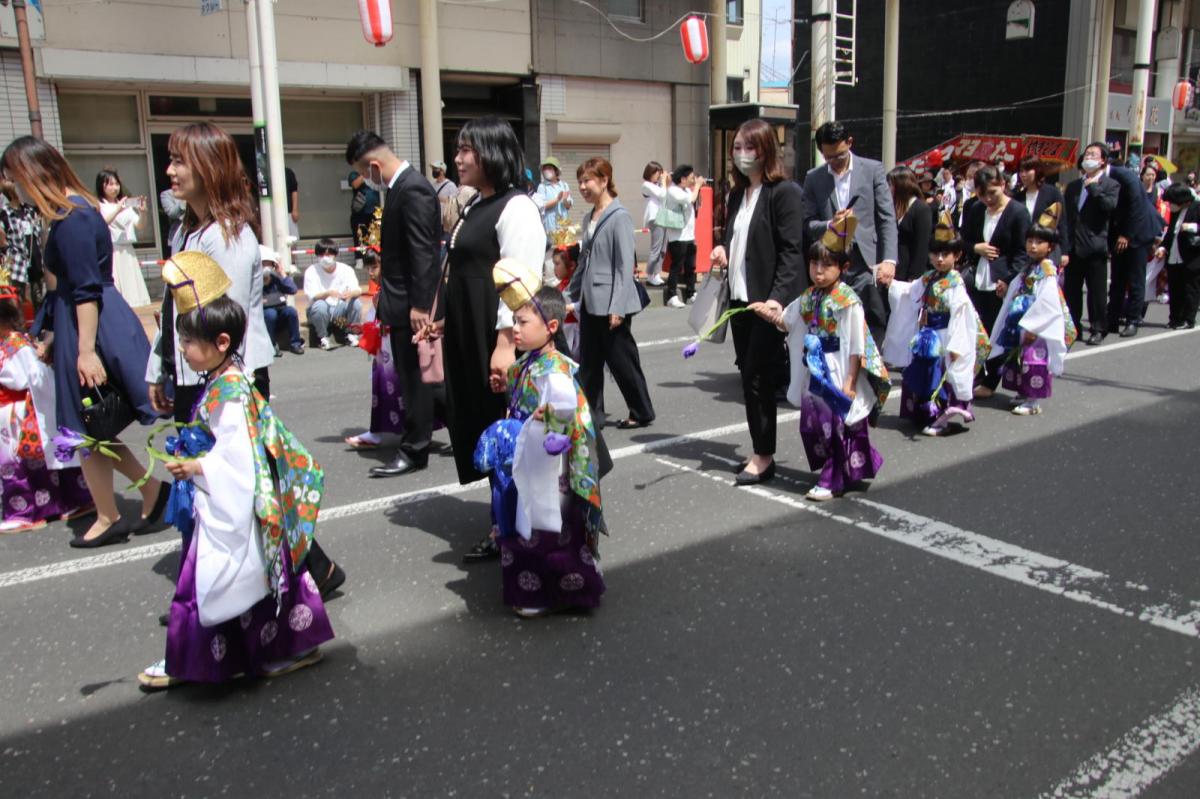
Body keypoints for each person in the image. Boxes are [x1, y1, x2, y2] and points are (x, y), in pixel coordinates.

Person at [137, 262, 333, 690]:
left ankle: (193, 660)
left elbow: (238, 459)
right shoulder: (226, 379)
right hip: (240, 501)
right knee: (258, 582)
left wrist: (197, 466)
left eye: (189, 341)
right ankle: (281, 649)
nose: (184, 348)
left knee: (210, 579)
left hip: (234, 498)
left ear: (221, 342)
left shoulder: (229, 390)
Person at [1, 136, 167, 547]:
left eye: (16, 180)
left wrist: (85, 349)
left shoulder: (72, 216)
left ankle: (114, 512)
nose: (15, 189)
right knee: (89, 428)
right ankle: (147, 494)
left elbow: (86, 289)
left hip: (88, 324)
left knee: (84, 428)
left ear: (34, 174)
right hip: (79, 322)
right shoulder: (70, 211)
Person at [412, 117, 545, 563]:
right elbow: (468, 276)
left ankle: (521, 530)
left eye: (468, 149)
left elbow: (519, 286)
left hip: (499, 339)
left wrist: (506, 344)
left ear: (493, 152)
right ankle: (502, 520)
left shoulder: (517, 207)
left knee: (509, 433)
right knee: (486, 431)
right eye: (459, 148)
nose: (458, 157)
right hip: (472, 336)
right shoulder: (473, 206)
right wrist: (448, 322)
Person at [477, 270, 606, 617]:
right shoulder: (525, 365)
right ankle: (536, 589)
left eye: (523, 321)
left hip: (549, 463)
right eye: (514, 321)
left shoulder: (554, 369)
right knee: (525, 526)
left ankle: (551, 592)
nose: (515, 329)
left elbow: (566, 414)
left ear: (551, 327)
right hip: (526, 455)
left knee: (546, 529)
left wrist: (545, 428)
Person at [751, 214, 889, 502]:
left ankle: (832, 478)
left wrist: (850, 381)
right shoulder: (809, 296)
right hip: (815, 370)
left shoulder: (848, 300)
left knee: (833, 424)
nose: (818, 271)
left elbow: (855, 345)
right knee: (813, 424)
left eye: (826, 265)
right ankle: (842, 470)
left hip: (837, 369)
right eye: (814, 264)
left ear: (844, 267)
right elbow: (788, 321)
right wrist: (767, 312)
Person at [709, 118, 805, 485]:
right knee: (750, 376)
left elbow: (792, 252)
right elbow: (738, 240)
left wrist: (778, 300)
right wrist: (722, 250)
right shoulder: (737, 194)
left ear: (766, 150)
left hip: (766, 303)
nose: (741, 154)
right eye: (736, 147)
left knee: (757, 377)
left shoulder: (784, 193)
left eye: (749, 147)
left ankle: (763, 455)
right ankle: (761, 449)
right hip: (739, 300)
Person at [345, 130, 442, 479]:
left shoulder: (411, 188)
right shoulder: (402, 187)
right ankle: (441, 430)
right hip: (400, 300)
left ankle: (415, 449)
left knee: (414, 376)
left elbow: (422, 252)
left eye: (362, 172)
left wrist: (419, 305)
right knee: (420, 376)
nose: (364, 180)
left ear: (373, 165)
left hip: (409, 304)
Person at [879, 212, 990, 436]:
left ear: (957, 255)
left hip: (946, 335)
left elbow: (961, 314)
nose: (940, 259)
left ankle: (941, 419)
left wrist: (957, 346)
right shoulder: (929, 277)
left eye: (946, 254)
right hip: (928, 335)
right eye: (936, 253)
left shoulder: (956, 283)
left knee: (939, 377)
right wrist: (893, 284)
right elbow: (910, 293)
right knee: (923, 372)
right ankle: (922, 415)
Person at [566, 156, 655, 431]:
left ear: (604, 180)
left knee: (621, 361)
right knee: (590, 362)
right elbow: (584, 261)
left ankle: (641, 411)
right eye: (579, 181)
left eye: (587, 180)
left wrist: (617, 307)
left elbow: (623, 265)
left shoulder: (620, 217)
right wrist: (569, 296)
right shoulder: (588, 216)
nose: (582, 186)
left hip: (612, 303)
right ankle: (593, 413)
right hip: (591, 302)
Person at [0, 273, 92, 532]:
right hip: (12, 411)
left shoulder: (16, 344)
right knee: (37, 464)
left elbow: (31, 377)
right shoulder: (9, 343)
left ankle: (26, 511)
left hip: (17, 412)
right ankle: (57, 504)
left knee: (17, 464)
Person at [800, 121, 897, 343]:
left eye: (839, 156)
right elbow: (807, 224)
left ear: (849, 143)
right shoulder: (813, 178)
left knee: (867, 324)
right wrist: (828, 224)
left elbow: (886, 217)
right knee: (832, 324)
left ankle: (867, 372)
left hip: (865, 262)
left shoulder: (872, 170)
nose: (833, 162)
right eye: (828, 157)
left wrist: (889, 260)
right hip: (830, 263)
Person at [988, 204, 1077, 416]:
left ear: (1051, 247)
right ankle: (1022, 391)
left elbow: (1047, 300)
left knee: (1033, 359)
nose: (1033, 246)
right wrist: (1007, 291)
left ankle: (1033, 399)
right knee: (1017, 357)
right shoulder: (1029, 266)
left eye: (1039, 242)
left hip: (1036, 322)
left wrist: (1034, 325)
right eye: (1030, 241)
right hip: (1021, 317)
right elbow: (1019, 285)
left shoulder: (1047, 269)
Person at [962, 165, 1031, 397]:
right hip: (977, 278)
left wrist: (1008, 279)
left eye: (993, 192)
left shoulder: (1018, 212)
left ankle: (995, 382)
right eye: (983, 194)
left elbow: (1023, 252)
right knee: (978, 329)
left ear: (1003, 185)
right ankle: (981, 376)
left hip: (1003, 281)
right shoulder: (975, 209)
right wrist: (975, 247)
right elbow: (963, 239)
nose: (988, 198)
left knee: (1001, 332)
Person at [344, 249, 410, 449]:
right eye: (368, 268)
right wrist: (365, 328)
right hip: (386, 346)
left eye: (374, 267)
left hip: (397, 344)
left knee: (406, 388)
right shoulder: (381, 291)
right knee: (386, 388)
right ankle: (378, 431)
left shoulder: (395, 288)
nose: (371, 272)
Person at [1061, 144, 1120, 345]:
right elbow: (1067, 217)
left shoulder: (1110, 184)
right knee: (1072, 291)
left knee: (1096, 292)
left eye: (1093, 155)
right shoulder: (1073, 186)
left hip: (1095, 247)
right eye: (1087, 154)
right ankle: (1073, 328)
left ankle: (1098, 328)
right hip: (1074, 247)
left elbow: (1109, 206)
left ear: (1103, 160)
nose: (1089, 157)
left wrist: (1093, 187)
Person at [1105, 148, 1161, 339]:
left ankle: (1133, 320)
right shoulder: (1095, 180)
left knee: (1136, 280)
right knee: (1117, 279)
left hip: (1139, 232)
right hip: (1120, 232)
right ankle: (1111, 319)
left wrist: (1126, 235)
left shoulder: (1124, 175)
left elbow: (1136, 207)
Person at [96, 169, 151, 308]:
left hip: (128, 251)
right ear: (101, 186)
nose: (114, 188)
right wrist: (117, 209)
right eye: (110, 184)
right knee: (116, 292)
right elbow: (101, 223)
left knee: (132, 293)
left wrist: (143, 213)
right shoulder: (99, 205)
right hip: (112, 251)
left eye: (116, 184)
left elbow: (140, 225)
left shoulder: (126, 205)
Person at [303, 238, 362, 350]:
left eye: (329, 254)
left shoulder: (346, 269)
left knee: (356, 303)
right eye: (322, 254)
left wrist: (350, 294)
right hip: (319, 314)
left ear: (335, 255)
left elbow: (358, 290)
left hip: (337, 317)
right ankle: (323, 337)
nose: (326, 257)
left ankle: (351, 333)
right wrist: (328, 293)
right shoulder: (311, 271)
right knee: (320, 305)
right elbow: (313, 296)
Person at [1157, 183, 1200, 329]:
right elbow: (1170, 233)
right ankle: (1175, 318)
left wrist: (1192, 227)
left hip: (1191, 257)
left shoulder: (1197, 207)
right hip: (1174, 255)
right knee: (1175, 289)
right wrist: (1163, 247)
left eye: (1172, 202)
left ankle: (1188, 319)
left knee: (1190, 289)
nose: (1171, 205)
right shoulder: (1176, 212)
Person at [1013, 157, 1066, 264]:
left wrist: (1064, 251)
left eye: (1027, 170)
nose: (1023, 174)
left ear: (1037, 171)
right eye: (1021, 171)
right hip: (1024, 250)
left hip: (1047, 249)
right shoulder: (1017, 197)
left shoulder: (1052, 192)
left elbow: (1062, 223)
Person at [663, 164, 700, 308]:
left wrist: (695, 188)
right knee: (676, 267)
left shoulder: (685, 190)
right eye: (691, 177)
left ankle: (691, 294)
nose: (693, 180)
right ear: (683, 179)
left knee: (690, 267)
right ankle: (671, 296)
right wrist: (696, 186)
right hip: (677, 237)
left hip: (689, 235)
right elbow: (690, 200)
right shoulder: (673, 190)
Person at [888, 165, 933, 282]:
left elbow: (922, 246)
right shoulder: (891, 207)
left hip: (909, 275)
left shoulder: (920, 209)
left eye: (891, 185)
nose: (888, 189)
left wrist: (914, 277)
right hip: (893, 273)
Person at [0, 181, 42, 300]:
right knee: (18, 300)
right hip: (17, 265)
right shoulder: (5, 214)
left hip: (36, 263)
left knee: (39, 300)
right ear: (12, 194)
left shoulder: (30, 211)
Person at [260, 245, 304, 356]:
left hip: (280, 314)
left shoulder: (277, 279)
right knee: (270, 313)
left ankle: (295, 343)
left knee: (291, 311)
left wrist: (282, 273)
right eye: (262, 263)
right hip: (264, 318)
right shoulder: (254, 282)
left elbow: (293, 290)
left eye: (268, 263)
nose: (265, 266)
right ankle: (272, 345)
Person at [641, 161, 667, 286]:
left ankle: (656, 274)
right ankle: (650, 275)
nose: (659, 176)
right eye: (658, 173)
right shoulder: (646, 185)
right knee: (656, 248)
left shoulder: (658, 185)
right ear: (650, 173)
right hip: (655, 218)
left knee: (663, 248)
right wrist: (663, 183)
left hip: (663, 218)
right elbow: (663, 195)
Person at [552, 246, 580, 358]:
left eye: (557, 264)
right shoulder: (560, 285)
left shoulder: (578, 287)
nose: (554, 268)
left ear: (572, 265)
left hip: (574, 336)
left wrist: (572, 308)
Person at [348, 166, 381, 253]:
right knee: (359, 237)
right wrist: (367, 172)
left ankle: (375, 259)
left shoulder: (376, 175)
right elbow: (355, 184)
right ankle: (360, 259)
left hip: (375, 212)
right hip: (360, 212)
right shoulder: (355, 174)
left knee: (375, 237)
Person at [159, 188, 186, 259]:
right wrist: (184, 200)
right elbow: (171, 213)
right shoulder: (166, 194)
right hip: (178, 236)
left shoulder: (197, 192)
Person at [285, 165, 300, 241]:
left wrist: (295, 209)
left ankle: (293, 253)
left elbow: (294, 191)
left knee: (293, 241)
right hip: (271, 214)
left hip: (289, 212)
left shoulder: (288, 172)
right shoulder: (266, 172)